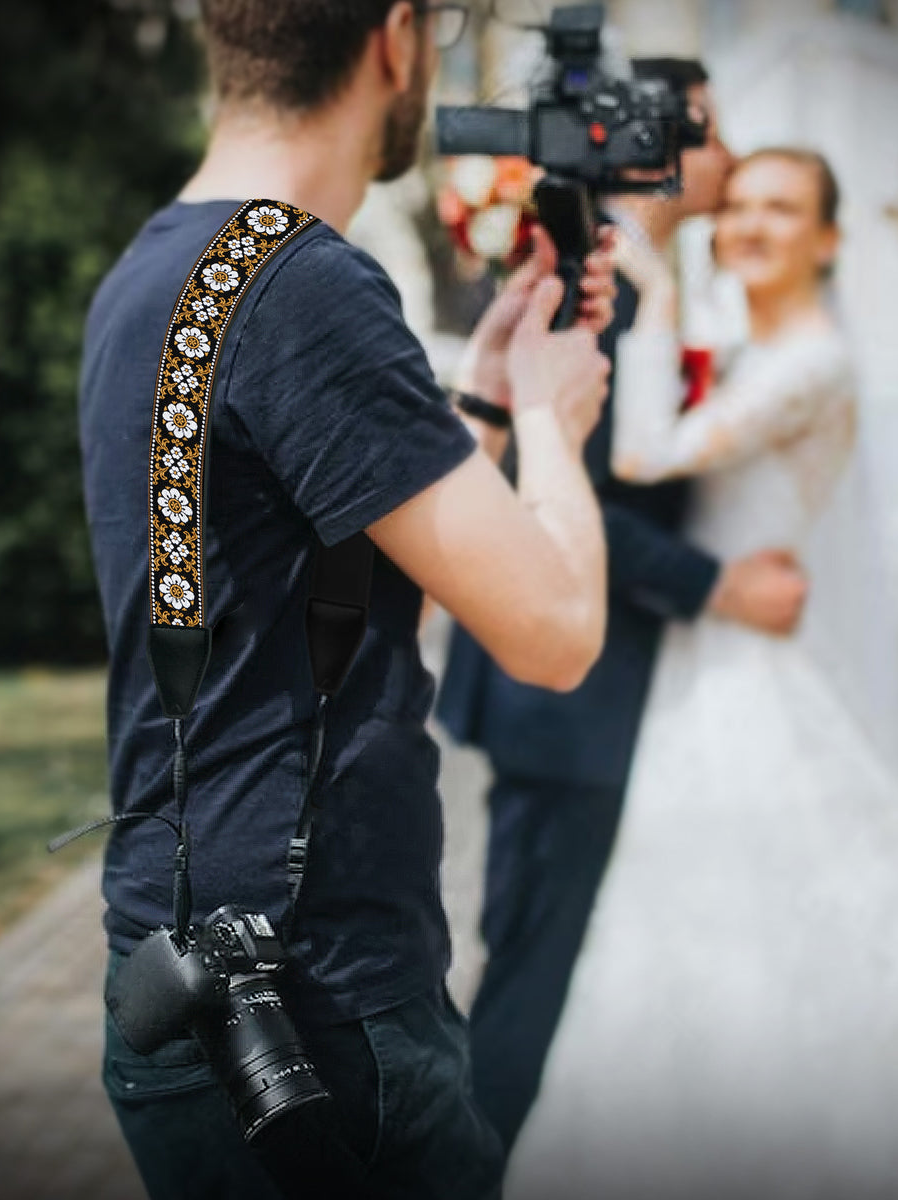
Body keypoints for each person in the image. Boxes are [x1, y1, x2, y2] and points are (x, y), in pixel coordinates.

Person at [76, 2, 620, 1197]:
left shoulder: (166, 268)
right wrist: (549, 418)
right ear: (396, 39)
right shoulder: (307, 285)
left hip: (186, 982)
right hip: (320, 1016)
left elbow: (331, 616)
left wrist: (473, 409)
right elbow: (559, 634)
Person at [507, 148, 898, 1199]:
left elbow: (640, 457)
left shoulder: (813, 362)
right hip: (709, 656)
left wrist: (659, 288)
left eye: (784, 208)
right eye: (745, 205)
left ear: (830, 239)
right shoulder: (759, 349)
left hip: (744, 674)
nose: (751, 224)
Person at [436, 58, 809, 1156]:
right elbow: (573, 490)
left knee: (557, 964)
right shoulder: (611, 290)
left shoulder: (652, 281)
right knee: (529, 977)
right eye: (715, 133)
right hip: (567, 700)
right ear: (657, 144)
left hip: (614, 688)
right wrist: (717, 584)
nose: (731, 159)